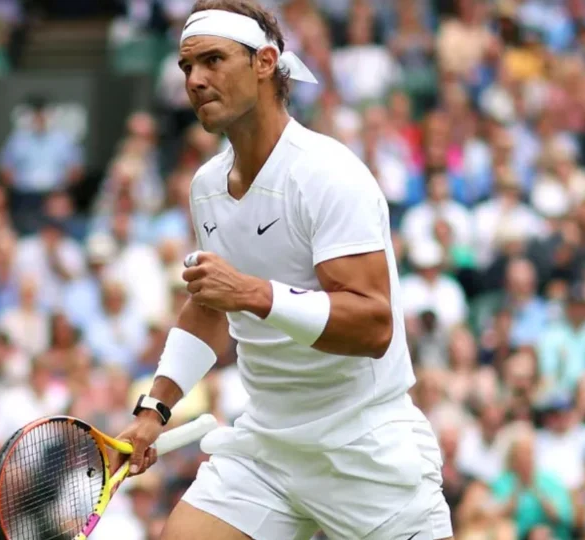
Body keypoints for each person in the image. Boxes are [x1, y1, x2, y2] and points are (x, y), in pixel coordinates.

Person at [113, 1, 452, 539]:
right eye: (186, 67)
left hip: (364, 451)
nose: (196, 80)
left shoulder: (328, 174)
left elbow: (372, 326)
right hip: (265, 447)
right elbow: (209, 306)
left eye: (213, 61)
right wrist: (154, 411)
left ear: (265, 62)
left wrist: (252, 293)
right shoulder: (206, 185)